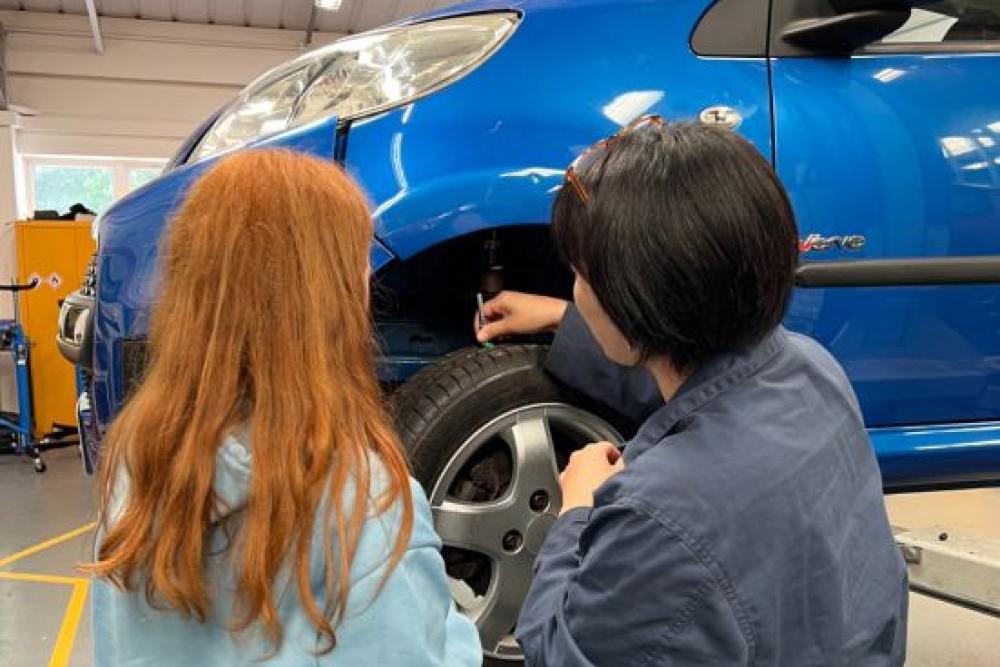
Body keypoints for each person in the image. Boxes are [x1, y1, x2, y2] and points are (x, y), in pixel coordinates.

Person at [476, 119, 908, 666]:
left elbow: (561, 650)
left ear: (636, 304)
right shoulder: (812, 366)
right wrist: (564, 318)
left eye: (580, 277)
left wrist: (576, 513)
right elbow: (700, 392)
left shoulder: (657, 516)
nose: (576, 290)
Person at [86, 149, 482, 666]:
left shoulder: (138, 461)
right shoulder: (363, 505)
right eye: (359, 267)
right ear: (328, 300)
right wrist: (452, 626)